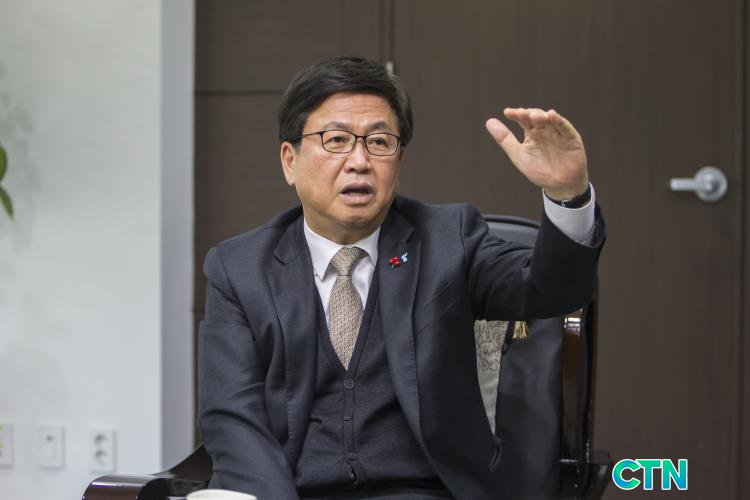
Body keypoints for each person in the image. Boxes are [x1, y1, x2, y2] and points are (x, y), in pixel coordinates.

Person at [198, 56, 605, 500]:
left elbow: (550, 291)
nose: (359, 161)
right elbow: (232, 415)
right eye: (336, 140)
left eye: (379, 142)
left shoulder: (449, 238)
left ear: (398, 159)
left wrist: (567, 195)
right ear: (289, 160)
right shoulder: (239, 269)